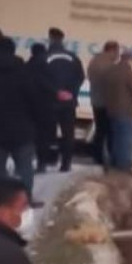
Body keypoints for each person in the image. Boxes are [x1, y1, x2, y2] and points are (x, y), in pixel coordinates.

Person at [0, 37, 42, 206]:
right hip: (22, 128)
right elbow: (34, 99)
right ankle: (25, 198)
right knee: (25, 168)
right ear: (13, 51)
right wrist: (34, 121)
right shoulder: (23, 71)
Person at [45, 27, 85, 173]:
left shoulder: (45, 57)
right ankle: (66, 163)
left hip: (50, 102)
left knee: (48, 132)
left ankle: (49, 160)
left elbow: (41, 78)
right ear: (62, 40)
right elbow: (80, 77)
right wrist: (71, 93)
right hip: (69, 102)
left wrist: (56, 92)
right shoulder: (73, 57)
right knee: (68, 133)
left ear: (50, 39)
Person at [103, 48, 132, 171]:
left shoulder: (111, 71)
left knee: (115, 138)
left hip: (111, 110)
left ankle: (114, 162)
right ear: (130, 60)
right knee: (125, 139)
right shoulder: (129, 74)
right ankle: (123, 165)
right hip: (124, 111)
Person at [86, 41, 119, 168]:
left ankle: (97, 156)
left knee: (100, 130)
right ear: (111, 51)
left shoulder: (94, 62)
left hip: (96, 100)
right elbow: (113, 84)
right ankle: (110, 158)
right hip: (107, 102)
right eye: (116, 52)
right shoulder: (109, 65)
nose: (117, 55)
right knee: (110, 132)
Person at [26, 44, 57, 173]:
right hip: (45, 107)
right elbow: (50, 85)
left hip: (28, 107)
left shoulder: (27, 66)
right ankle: (41, 163)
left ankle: (24, 163)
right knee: (43, 137)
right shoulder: (47, 66)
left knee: (28, 137)